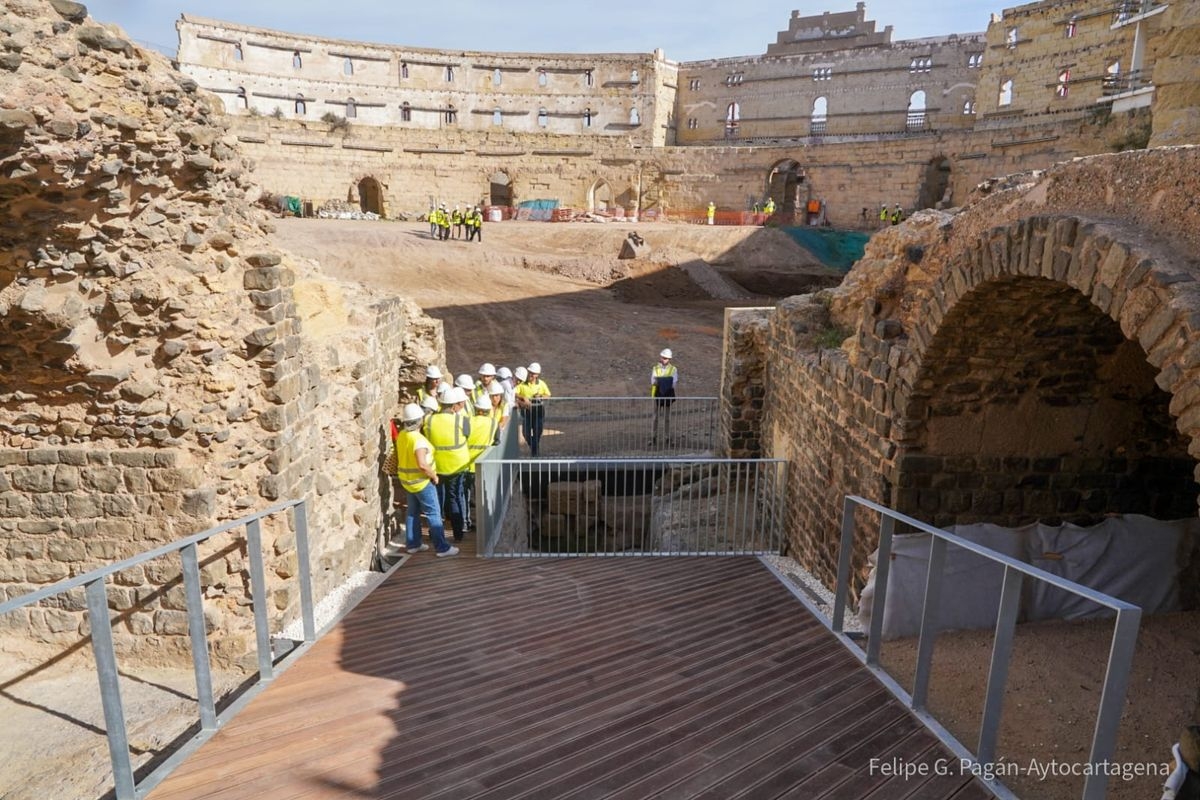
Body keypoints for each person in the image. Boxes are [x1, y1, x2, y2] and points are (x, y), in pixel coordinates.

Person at [393, 403, 458, 557]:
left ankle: (413, 544)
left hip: (408, 482)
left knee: (412, 512)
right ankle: (442, 548)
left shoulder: (402, 435)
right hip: (422, 482)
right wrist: (434, 476)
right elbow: (422, 464)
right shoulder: (418, 440)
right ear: (420, 421)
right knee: (433, 513)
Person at [426, 386, 472, 542]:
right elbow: (467, 435)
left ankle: (435, 533)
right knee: (455, 497)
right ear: (453, 406)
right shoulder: (462, 420)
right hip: (457, 466)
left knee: (437, 499)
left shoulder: (429, 420)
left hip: (436, 466)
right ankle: (458, 533)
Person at [463, 394, 499, 529]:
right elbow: (497, 441)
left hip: (466, 464)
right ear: (488, 410)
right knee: (482, 496)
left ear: (476, 408)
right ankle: (484, 523)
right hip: (484, 465)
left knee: (466, 496)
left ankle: (467, 522)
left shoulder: (467, 421)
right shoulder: (493, 423)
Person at [515, 362, 551, 456]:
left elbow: (548, 395)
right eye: (530, 372)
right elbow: (514, 392)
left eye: (533, 373)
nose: (531, 375)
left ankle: (535, 453)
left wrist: (541, 396)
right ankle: (535, 450)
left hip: (538, 412)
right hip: (526, 413)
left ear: (537, 375)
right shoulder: (522, 383)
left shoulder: (541, 384)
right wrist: (523, 397)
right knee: (526, 433)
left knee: (537, 433)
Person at [650, 348, 678, 447]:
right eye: (663, 357)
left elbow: (673, 384)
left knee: (667, 418)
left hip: (667, 395)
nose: (664, 359)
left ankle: (667, 437)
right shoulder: (655, 368)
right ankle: (653, 437)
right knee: (655, 418)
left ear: (669, 359)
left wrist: (660, 381)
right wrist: (666, 381)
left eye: (666, 358)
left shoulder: (673, 369)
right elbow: (653, 382)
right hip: (657, 395)